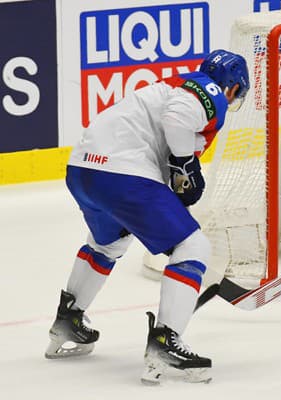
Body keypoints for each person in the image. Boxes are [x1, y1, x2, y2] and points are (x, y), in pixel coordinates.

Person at [44, 49, 250, 385]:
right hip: (122, 172)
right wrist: (184, 165)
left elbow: (167, 129)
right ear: (231, 87)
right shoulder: (208, 90)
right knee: (192, 246)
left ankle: (69, 319)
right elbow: (178, 119)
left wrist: (179, 172)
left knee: (107, 243)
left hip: (82, 168)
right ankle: (165, 343)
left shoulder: (172, 86)